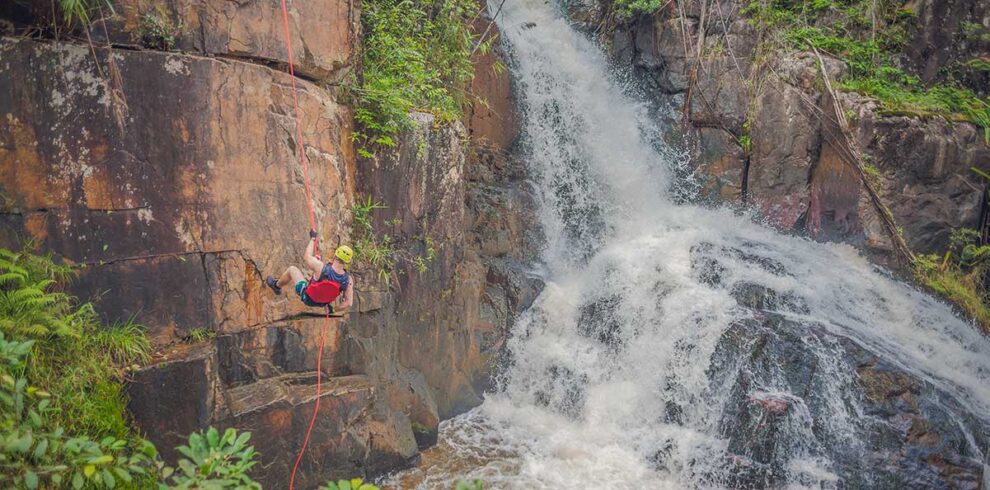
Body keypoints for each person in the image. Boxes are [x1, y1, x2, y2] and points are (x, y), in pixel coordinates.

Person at [266, 229, 355, 312]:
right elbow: (348, 303)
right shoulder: (348, 280)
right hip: (323, 303)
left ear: (335, 255)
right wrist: (333, 310)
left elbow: (307, 256)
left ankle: (276, 286)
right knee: (313, 279)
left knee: (292, 269)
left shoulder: (320, 267)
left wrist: (312, 239)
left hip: (308, 298)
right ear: (347, 261)